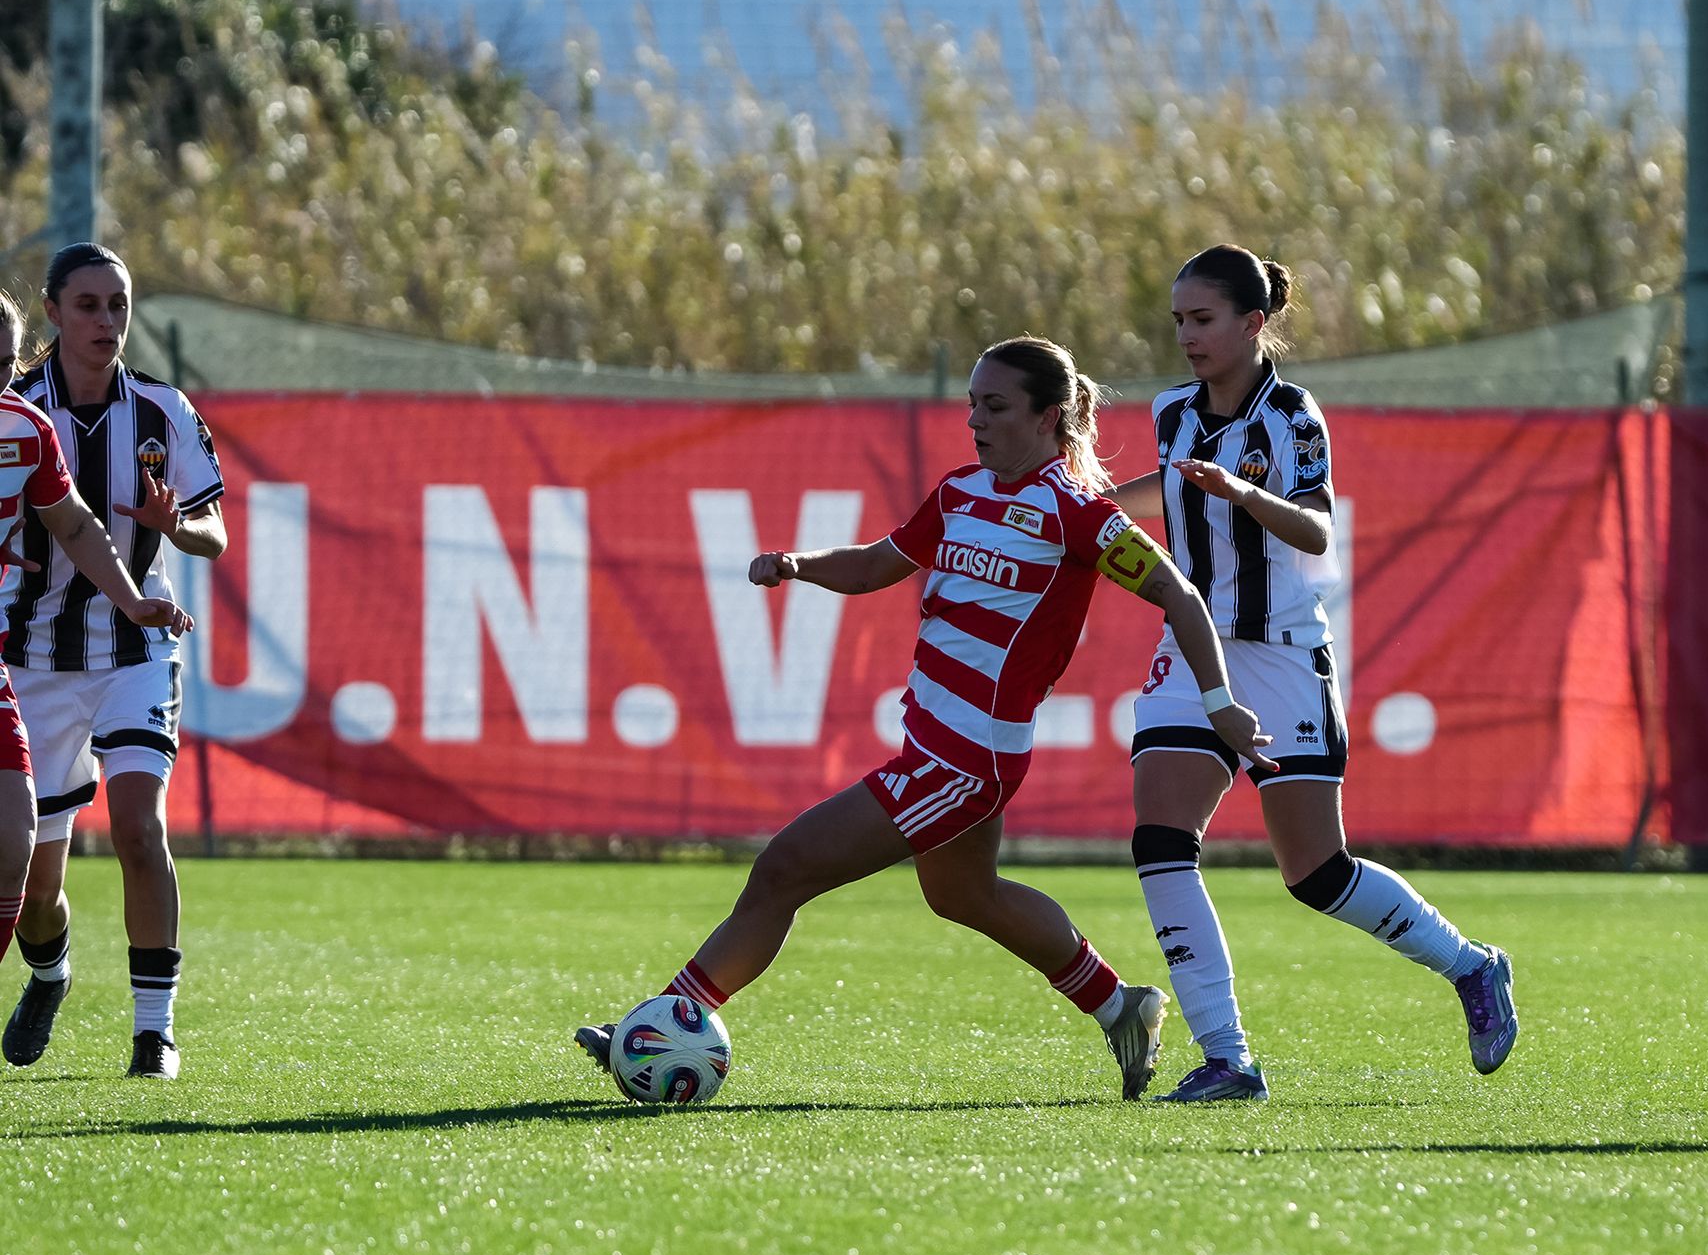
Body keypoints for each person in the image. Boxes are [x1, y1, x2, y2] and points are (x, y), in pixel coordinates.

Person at [576, 335, 1277, 1101]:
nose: (975, 418)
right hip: (935, 744)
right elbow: (880, 562)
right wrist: (799, 565)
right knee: (963, 895)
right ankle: (1122, 1006)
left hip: (965, 760)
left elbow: (1180, 594)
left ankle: (664, 1026)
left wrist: (1220, 703)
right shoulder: (959, 492)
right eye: (972, 402)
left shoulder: (1078, 517)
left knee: (784, 867)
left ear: (1049, 418)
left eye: (995, 405)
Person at [1113, 245, 1517, 1102]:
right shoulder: (1172, 410)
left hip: (1285, 653)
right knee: (1159, 840)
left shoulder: (1292, 417)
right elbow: (1174, 487)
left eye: (1203, 319)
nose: (1186, 335)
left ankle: (1473, 967)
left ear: (1253, 323)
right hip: (1193, 645)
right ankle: (1228, 1056)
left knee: (1315, 873)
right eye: (1179, 320)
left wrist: (1244, 493)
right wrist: (1098, 503)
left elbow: (1317, 530)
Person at [1, 245, 227, 1081]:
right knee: (28, 883)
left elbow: (214, 531)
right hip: (31, 658)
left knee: (139, 825)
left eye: (119, 305)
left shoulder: (163, 410)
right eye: (88, 305)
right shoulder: (18, 411)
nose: (107, 322)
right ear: (53, 313)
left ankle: (154, 1032)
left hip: (135, 646)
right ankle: (51, 973)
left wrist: (178, 529)